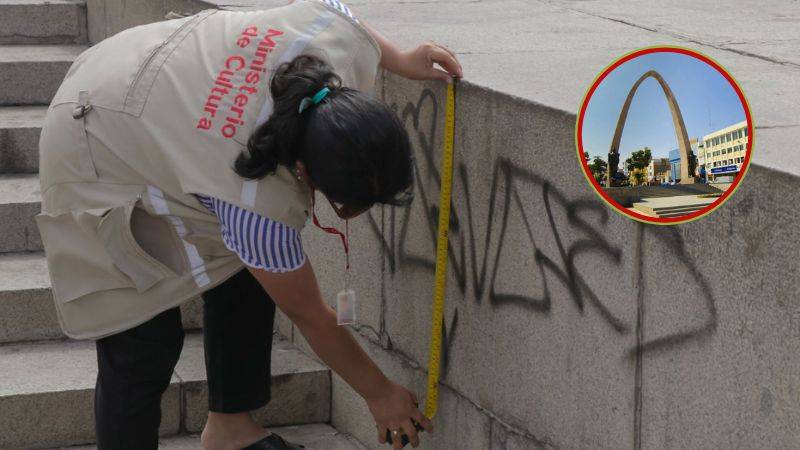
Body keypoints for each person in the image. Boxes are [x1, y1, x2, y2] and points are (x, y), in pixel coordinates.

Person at [34, 0, 464, 449]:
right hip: (94, 130)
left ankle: (230, 431)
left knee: (249, 270)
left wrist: (400, 58)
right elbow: (311, 315)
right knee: (142, 343)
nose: (353, 215)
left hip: (165, 90)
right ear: (302, 170)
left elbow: (342, 13)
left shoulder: (329, 40)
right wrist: (380, 393)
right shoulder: (254, 201)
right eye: (345, 206)